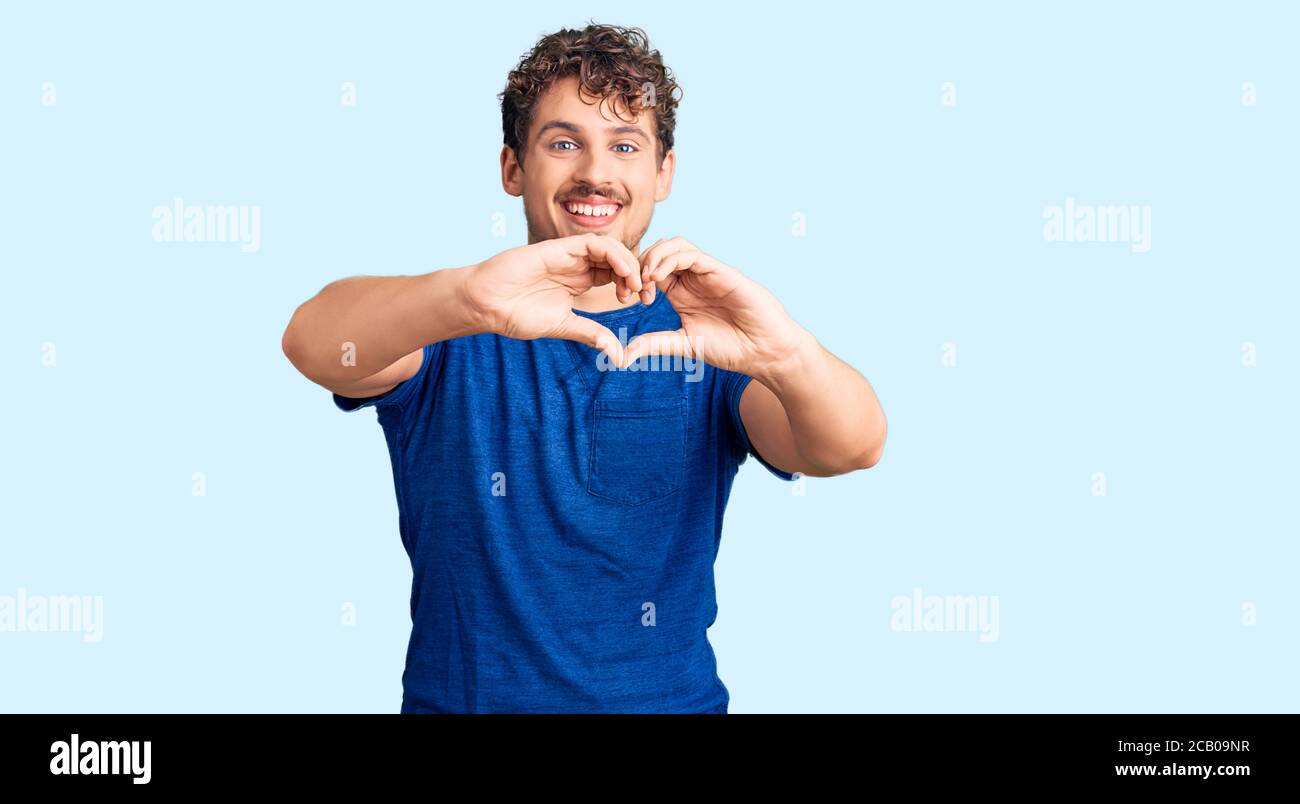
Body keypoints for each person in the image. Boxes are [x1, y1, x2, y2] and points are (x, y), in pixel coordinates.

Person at [281, 23, 887, 713]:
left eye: (625, 146)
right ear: (513, 168)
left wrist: (785, 353)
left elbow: (852, 445)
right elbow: (313, 343)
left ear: (664, 171)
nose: (595, 172)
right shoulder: (447, 324)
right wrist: (465, 297)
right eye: (563, 142)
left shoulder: (708, 340)